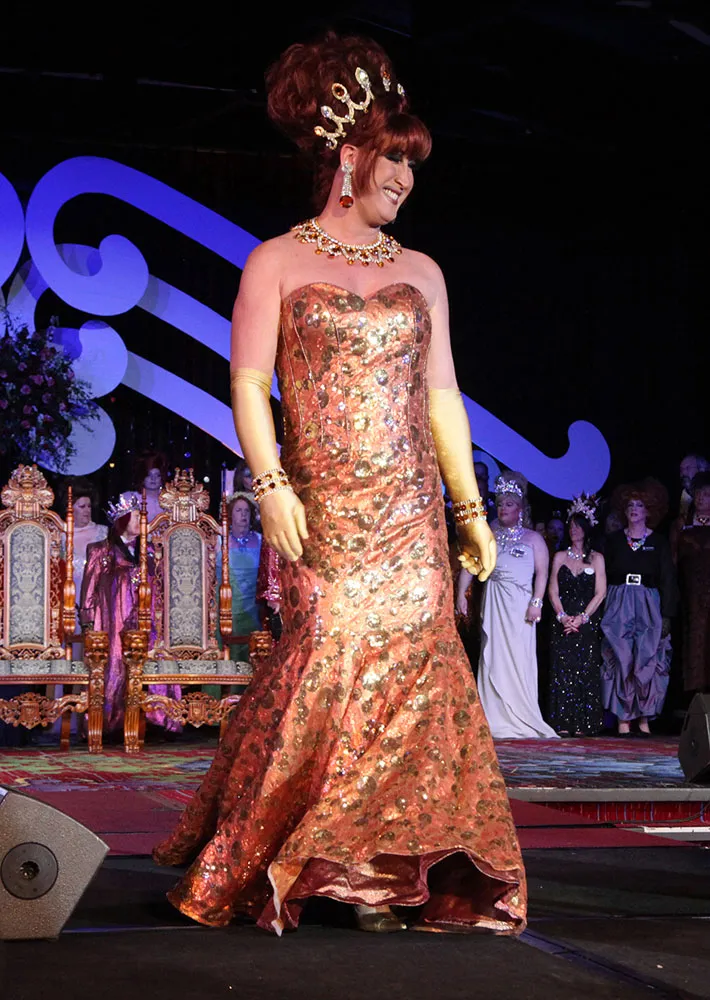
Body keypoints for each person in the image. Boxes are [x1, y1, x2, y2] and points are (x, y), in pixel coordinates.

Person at [153, 32, 525, 937]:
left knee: (415, 676)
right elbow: (248, 384)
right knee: (327, 659)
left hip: (411, 514)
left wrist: (469, 511)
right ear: (351, 157)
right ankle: (301, 857)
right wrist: (270, 484)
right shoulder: (276, 261)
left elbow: (443, 397)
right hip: (322, 509)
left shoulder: (423, 273)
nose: (406, 180)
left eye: (414, 166)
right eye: (395, 160)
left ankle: (380, 876)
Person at [81, 495, 181, 735]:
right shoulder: (101, 551)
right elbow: (89, 590)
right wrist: (87, 622)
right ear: (123, 520)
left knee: (152, 660)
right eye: (136, 517)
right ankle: (112, 722)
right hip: (114, 619)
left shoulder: (151, 551)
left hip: (147, 618)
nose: (141, 521)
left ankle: (158, 720)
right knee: (116, 667)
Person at [476, 475, 558, 739]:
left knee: (517, 655)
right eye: (500, 504)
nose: (503, 509)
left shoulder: (533, 538)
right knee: (493, 652)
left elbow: (542, 573)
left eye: (509, 505)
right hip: (495, 600)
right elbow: (474, 563)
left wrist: (537, 602)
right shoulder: (490, 533)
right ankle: (493, 714)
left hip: (520, 605)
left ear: (520, 509)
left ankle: (521, 713)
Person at [601, 479, 677, 736]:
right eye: (630, 505)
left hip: (648, 601)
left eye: (640, 505)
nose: (634, 509)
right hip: (619, 600)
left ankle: (644, 716)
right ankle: (623, 717)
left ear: (649, 511)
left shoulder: (659, 542)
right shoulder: (613, 541)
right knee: (622, 657)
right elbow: (603, 575)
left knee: (646, 657)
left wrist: (667, 615)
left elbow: (668, 579)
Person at [547, 496, 606, 736]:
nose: (573, 530)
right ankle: (562, 721)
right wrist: (562, 616)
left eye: (578, 526)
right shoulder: (560, 556)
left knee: (585, 669)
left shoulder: (597, 558)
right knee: (563, 669)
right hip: (563, 618)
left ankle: (584, 722)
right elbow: (552, 589)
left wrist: (582, 618)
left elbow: (601, 592)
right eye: (570, 526)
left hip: (586, 620)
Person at [675, 472, 710, 693]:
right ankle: (694, 693)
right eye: (698, 493)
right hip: (689, 594)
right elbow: (672, 561)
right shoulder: (682, 524)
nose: (700, 498)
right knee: (694, 636)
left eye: (706, 494)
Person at [218, 493, 263, 661]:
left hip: (253, 607)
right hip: (226, 606)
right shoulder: (219, 541)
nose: (243, 515)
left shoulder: (261, 540)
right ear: (230, 514)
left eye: (246, 511)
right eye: (238, 510)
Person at [64, 479, 108, 602]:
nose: (87, 510)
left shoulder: (104, 533)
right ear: (70, 508)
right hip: (69, 600)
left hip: (99, 599)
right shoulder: (60, 536)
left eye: (89, 506)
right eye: (82, 506)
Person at [122, 450, 169, 524]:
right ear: (142, 476)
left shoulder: (170, 499)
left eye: (157, 475)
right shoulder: (130, 498)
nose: (153, 478)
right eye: (149, 475)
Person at [679, 454, 709, 521]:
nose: (683, 473)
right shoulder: (682, 494)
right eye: (681, 469)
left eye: (688, 468)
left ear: (701, 469)